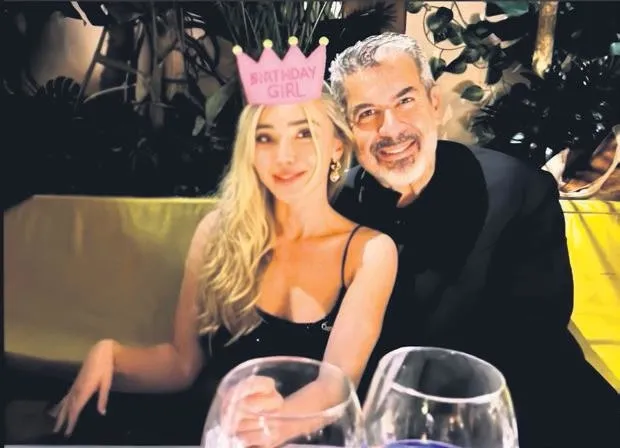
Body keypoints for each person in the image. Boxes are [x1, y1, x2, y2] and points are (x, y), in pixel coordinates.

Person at [51, 38, 398, 445]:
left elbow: (334, 386)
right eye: (265, 137)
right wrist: (111, 355)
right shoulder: (217, 231)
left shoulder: (370, 253)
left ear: (337, 145)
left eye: (304, 133)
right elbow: (183, 364)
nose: (284, 156)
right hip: (212, 430)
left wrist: (266, 424)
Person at [328, 32, 619, 447]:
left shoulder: (519, 192)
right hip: (390, 418)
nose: (389, 128)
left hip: (520, 414)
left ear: (434, 104)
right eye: (367, 113)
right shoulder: (337, 205)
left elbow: (531, 348)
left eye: (405, 101)